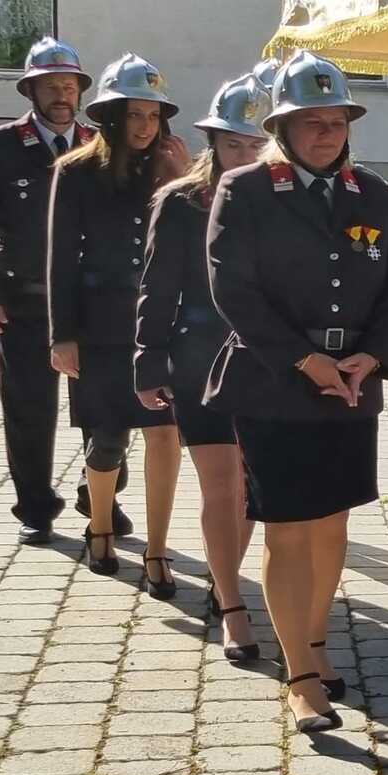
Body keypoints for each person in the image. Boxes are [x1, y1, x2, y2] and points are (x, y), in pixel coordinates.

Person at [205, 50, 388, 732]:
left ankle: (316, 642)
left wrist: (372, 356)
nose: (327, 134)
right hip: (276, 384)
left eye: (337, 121)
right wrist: (304, 360)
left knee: (332, 524)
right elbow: (233, 289)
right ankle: (298, 674)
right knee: (290, 527)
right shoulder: (245, 190)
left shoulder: (370, 192)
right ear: (283, 129)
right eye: (312, 122)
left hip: (351, 383)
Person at [0, 37, 130, 544]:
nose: (61, 95)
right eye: (50, 86)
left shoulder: (102, 145)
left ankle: (101, 498)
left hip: (93, 305)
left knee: (104, 409)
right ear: (30, 91)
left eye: (69, 86)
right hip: (24, 302)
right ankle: (35, 507)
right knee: (29, 410)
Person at [136, 73, 269, 661]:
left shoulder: (282, 199)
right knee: (221, 483)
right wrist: (148, 360)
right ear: (212, 142)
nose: (245, 155)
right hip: (199, 357)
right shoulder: (180, 201)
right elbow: (156, 287)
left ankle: (224, 577)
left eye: (256, 144)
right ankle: (234, 608)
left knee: (248, 486)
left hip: (266, 357)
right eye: (233, 143)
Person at [49, 54, 190, 591]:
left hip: (162, 325)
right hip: (101, 326)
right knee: (107, 438)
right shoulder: (76, 172)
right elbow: (61, 258)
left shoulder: (172, 169)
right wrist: (62, 335)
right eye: (134, 115)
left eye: (154, 116)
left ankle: (157, 549)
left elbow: (201, 241)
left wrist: (183, 181)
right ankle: (101, 527)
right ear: (110, 116)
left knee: (165, 435)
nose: (145, 127)